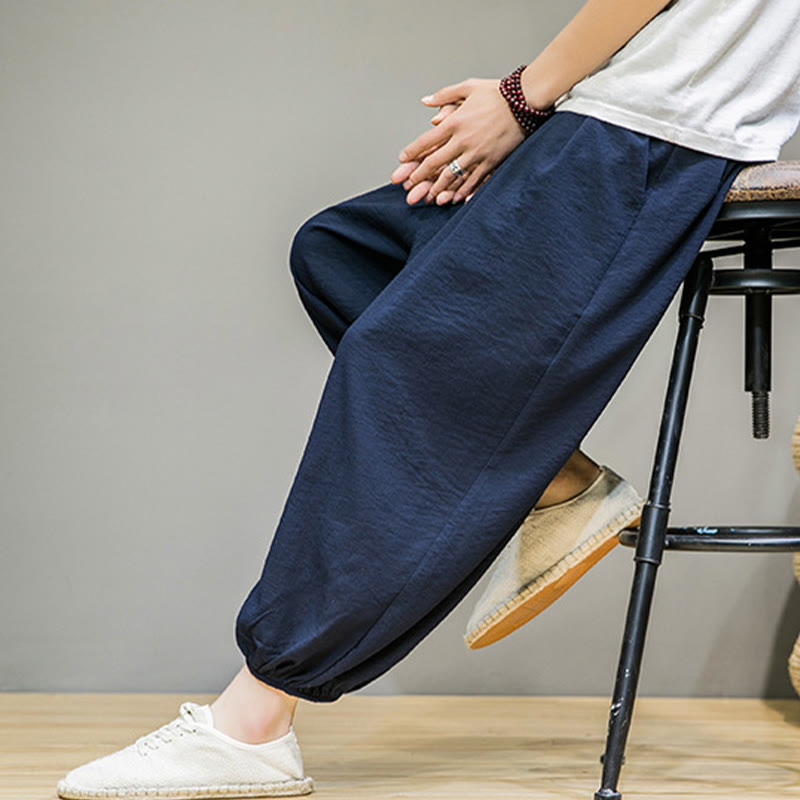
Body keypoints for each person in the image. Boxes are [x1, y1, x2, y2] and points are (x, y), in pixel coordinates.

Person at [56, 0, 800, 797]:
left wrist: (522, 97)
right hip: (611, 107)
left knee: (395, 358)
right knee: (344, 253)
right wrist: (553, 99)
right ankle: (562, 484)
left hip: (657, 132)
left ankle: (254, 722)